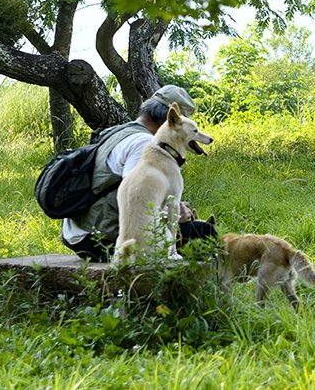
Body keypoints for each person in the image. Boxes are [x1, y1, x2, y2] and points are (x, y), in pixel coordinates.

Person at [61, 85, 216, 262]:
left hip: (77, 232)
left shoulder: (118, 131)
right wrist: (175, 214)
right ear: (170, 121)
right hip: (101, 238)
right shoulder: (144, 143)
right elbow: (134, 198)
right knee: (203, 233)